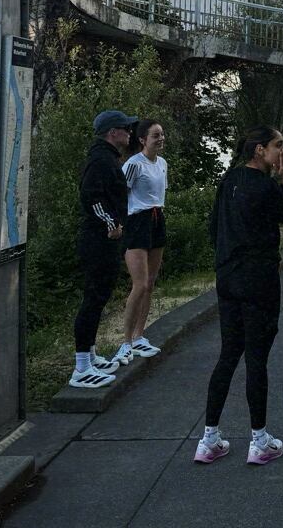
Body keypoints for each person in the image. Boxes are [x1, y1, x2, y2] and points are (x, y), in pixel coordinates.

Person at [195, 126, 283, 465]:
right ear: (259, 150)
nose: (282, 151)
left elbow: (213, 228)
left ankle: (209, 437)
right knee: (256, 358)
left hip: (228, 276)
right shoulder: (267, 186)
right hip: (259, 279)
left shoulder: (229, 180)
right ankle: (259, 440)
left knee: (229, 353)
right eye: (278, 145)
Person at [70, 109, 137, 389]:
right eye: (126, 128)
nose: (130, 133)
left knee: (99, 299)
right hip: (98, 240)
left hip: (105, 240)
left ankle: (91, 355)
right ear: (113, 132)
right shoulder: (100, 160)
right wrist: (111, 223)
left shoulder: (107, 157)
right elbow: (91, 196)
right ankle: (81, 368)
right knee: (93, 299)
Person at [116, 119, 168, 363]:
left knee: (150, 283)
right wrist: (119, 224)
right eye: (155, 135)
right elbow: (120, 196)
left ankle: (139, 336)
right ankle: (125, 342)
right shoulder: (133, 164)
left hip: (157, 220)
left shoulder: (163, 164)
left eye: (162, 134)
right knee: (139, 284)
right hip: (136, 222)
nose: (161, 138)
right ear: (142, 140)